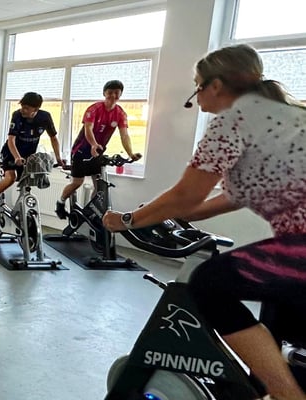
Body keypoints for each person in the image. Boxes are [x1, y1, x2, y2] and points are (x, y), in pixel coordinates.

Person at [103, 44, 306, 400]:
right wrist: (171, 215)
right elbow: (228, 198)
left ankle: (287, 396)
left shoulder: (234, 121)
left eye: (197, 86)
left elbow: (187, 194)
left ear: (216, 85)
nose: (196, 97)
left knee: (209, 282)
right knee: (276, 321)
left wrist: (128, 220)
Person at [55, 80, 141, 219]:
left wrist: (130, 153)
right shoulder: (94, 109)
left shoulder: (120, 113)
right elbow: (88, 129)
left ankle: (91, 212)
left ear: (120, 94)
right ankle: (60, 202)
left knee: (99, 186)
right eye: (110, 92)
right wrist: (93, 144)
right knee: (77, 183)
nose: (113, 96)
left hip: (98, 152)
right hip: (81, 150)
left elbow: (124, 135)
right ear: (104, 93)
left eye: (116, 93)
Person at [0, 92, 63, 215]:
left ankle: (20, 209)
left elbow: (53, 138)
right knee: (11, 178)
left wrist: (59, 158)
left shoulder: (45, 117)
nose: (23, 110)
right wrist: (17, 157)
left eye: (27, 108)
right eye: (22, 106)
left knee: (27, 181)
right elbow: (11, 139)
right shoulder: (17, 115)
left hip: (28, 154)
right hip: (11, 151)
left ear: (36, 109)